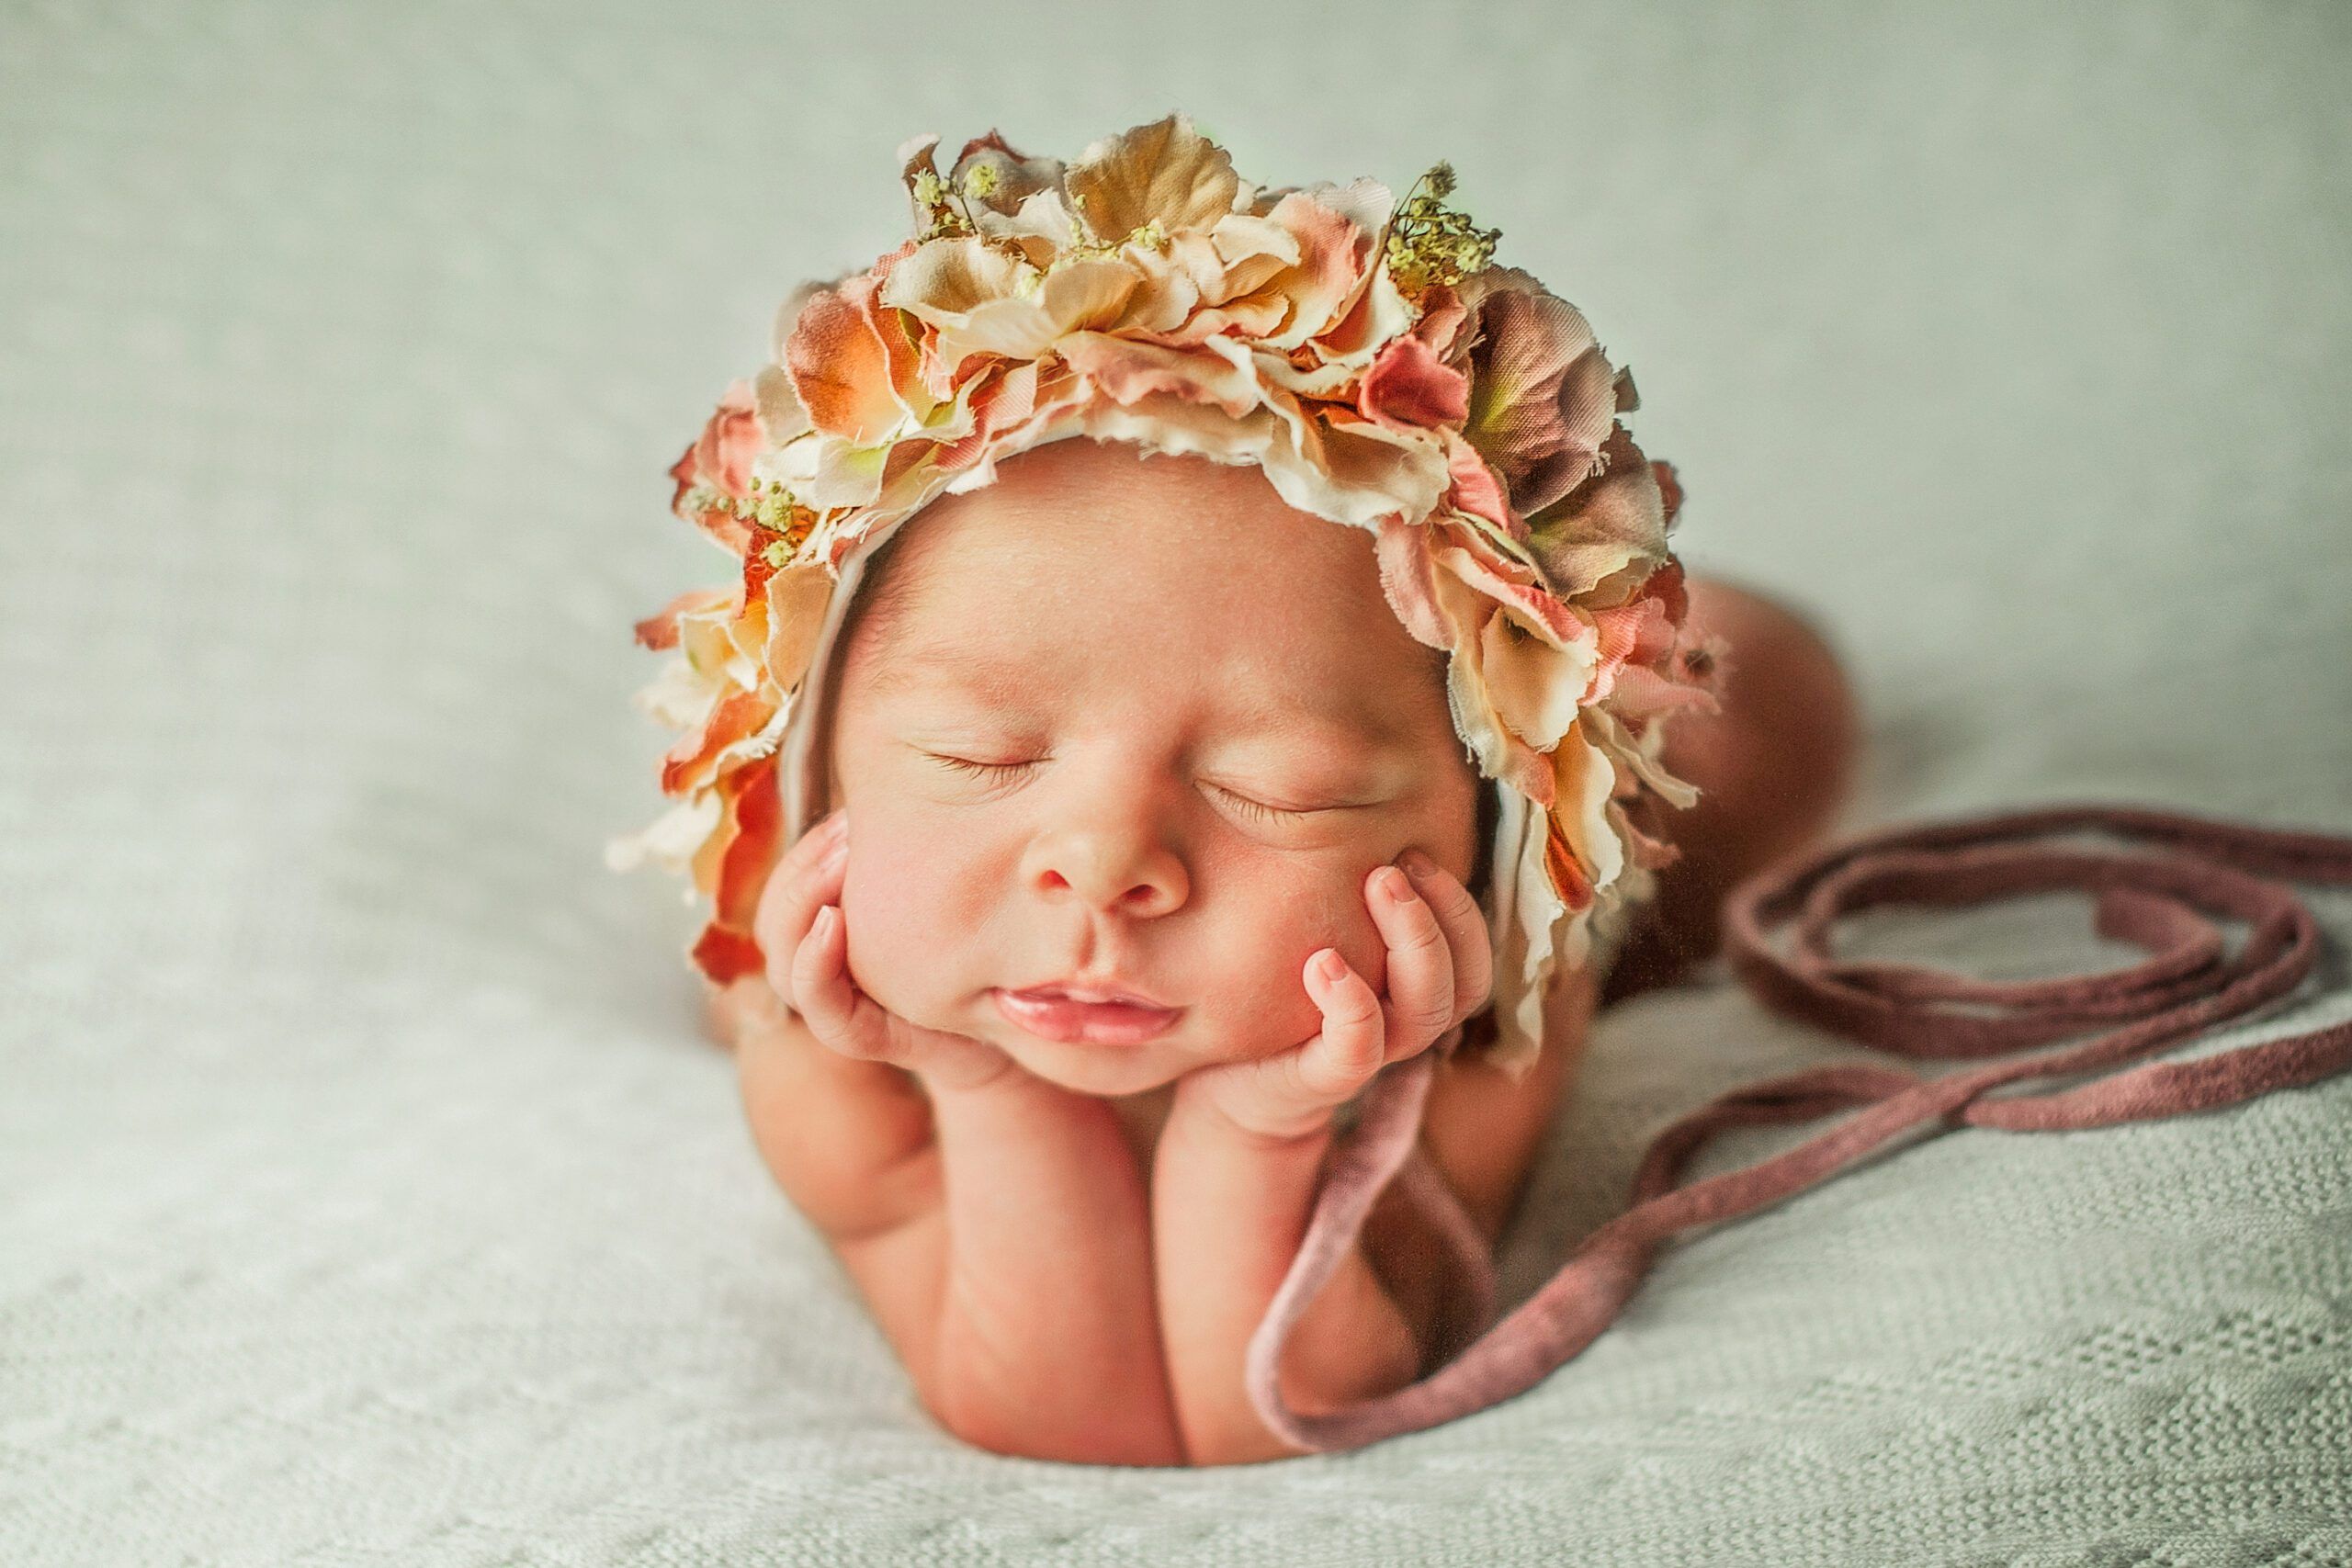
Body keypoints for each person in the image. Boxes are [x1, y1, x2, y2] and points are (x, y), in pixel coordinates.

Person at [618, 116, 1860, 1466]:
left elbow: (1274, 1416)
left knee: (1756, 706)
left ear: (1489, 840)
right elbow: (1058, 1415)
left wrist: (1258, 1132)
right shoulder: (833, 1060)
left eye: (1284, 789)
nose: (1102, 865)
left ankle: (1652, 724)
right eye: (979, 759)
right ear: (809, 778)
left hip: (1549, 815)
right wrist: (978, 1087)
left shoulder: (1481, 1042)